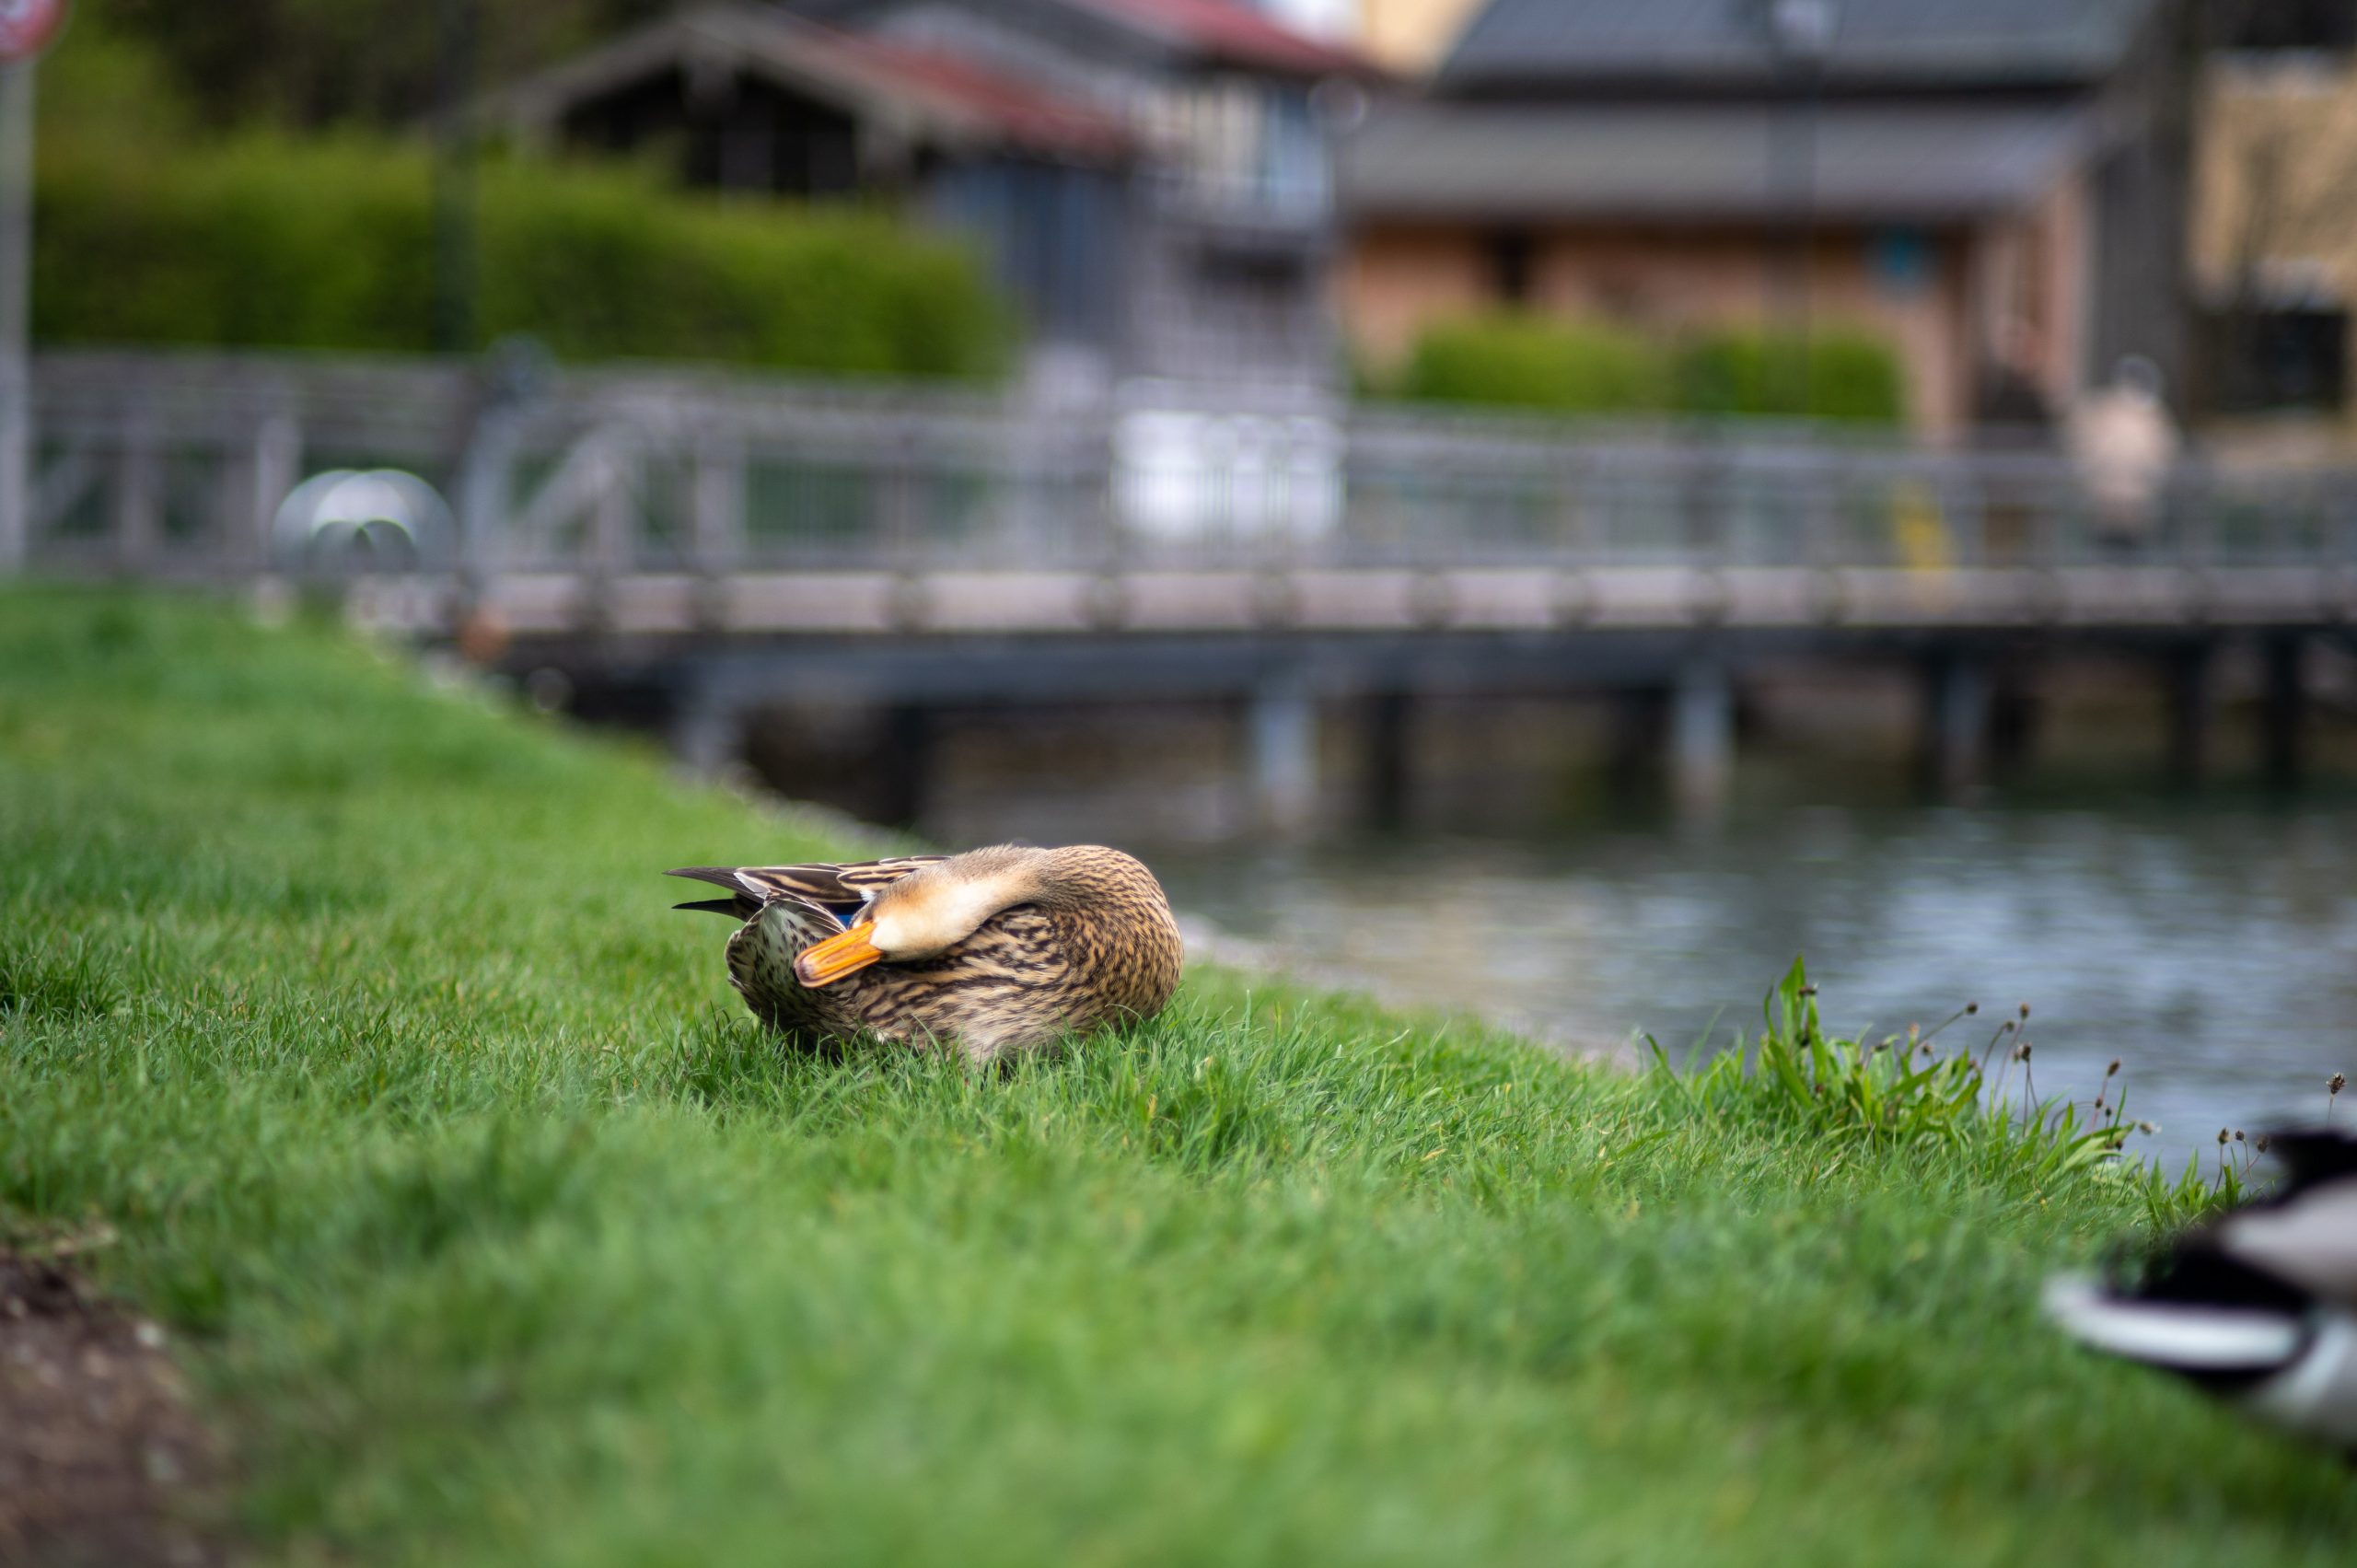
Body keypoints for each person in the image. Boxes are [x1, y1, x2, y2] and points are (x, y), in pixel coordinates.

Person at [2064, 356, 2179, 556]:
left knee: (2107, 559)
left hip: (2108, 502)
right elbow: (2167, 458)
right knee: (2126, 560)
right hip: (2131, 503)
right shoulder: (2152, 417)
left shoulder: (2102, 410)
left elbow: (2078, 449)